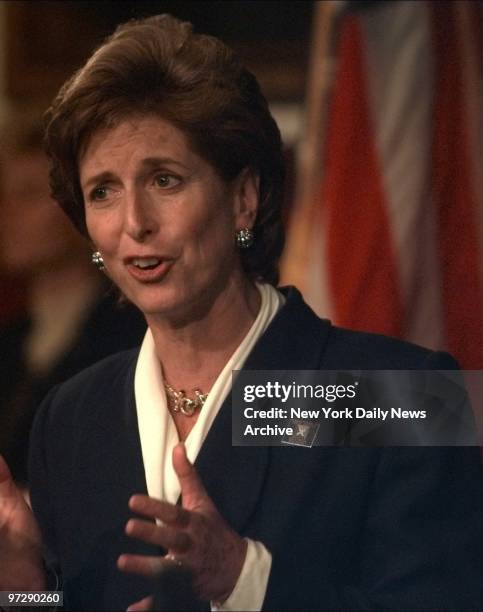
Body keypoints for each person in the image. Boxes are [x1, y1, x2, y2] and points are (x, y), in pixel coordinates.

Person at [0, 14, 482, 611]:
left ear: (243, 199)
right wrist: (23, 587)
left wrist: (246, 582)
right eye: (103, 190)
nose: (135, 223)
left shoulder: (400, 395)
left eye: (165, 179)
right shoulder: (72, 417)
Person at [0, 115, 147, 486]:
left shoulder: (130, 338)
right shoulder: (10, 340)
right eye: (5, 192)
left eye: (30, 193)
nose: (7, 210)